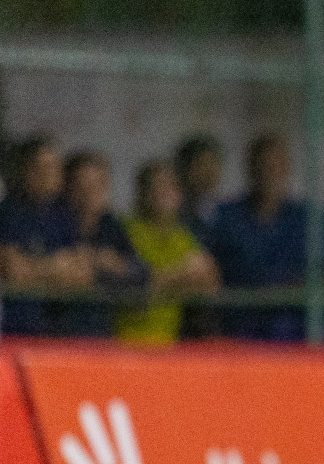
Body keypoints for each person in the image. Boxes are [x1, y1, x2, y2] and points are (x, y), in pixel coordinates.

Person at [206, 133, 308, 341]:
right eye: (262, 165)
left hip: (293, 336)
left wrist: (292, 288)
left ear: (286, 169)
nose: (268, 173)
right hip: (237, 332)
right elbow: (206, 270)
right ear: (250, 169)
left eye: (275, 166)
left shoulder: (305, 219)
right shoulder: (225, 217)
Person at [118, 160, 220, 345]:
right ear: (142, 192)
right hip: (126, 341)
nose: (162, 193)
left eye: (170, 186)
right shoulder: (125, 230)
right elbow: (134, 284)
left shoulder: (183, 236)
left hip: (169, 343)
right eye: (155, 186)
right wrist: (180, 275)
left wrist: (172, 278)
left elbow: (209, 284)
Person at [0, 135, 91, 335]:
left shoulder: (65, 213)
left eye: (53, 167)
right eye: (41, 167)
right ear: (26, 170)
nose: (48, 174)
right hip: (17, 328)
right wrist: (57, 266)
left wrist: (35, 267)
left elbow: (83, 273)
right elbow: (14, 271)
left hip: (60, 328)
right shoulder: (8, 212)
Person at [58, 151, 148, 338]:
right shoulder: (55, 221)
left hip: (100, 333)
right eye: (82, 186)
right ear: (68, 187)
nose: (90, 193)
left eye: (97, 185)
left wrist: (112, 267)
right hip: (55, 332)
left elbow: (141, 274)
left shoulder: (111, 225)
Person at [175, 133, 224, 247]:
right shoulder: (175, 213)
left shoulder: (227, 211)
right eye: (201, 164)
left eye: (212, 164)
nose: (208, 172)